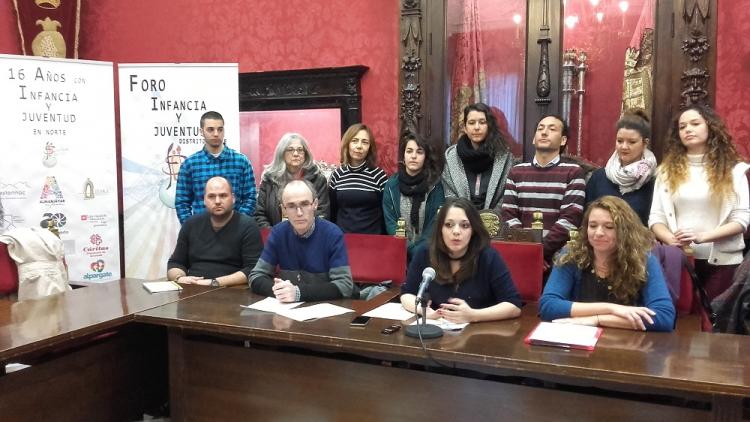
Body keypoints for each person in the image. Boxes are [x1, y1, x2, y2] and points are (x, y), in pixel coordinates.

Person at [649, 105, 750, 300]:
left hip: (723, 261)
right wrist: (670, 238)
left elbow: (742, 219)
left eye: (695, 124)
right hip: (679, 259)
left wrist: (703, 236)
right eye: (682, 126)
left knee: (715, 316)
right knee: (682, 315)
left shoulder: (734, 171)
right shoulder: (665, 171)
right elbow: (656, 217)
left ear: (710, 127)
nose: (688, 129)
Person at [540, 196, 675, 332]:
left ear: (625, 231)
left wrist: (597, 320)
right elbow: (548, 306)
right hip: (580, 337)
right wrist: (612, 309)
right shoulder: (571, 254)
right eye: (593, 226)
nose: (598, 233)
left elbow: (664, 317)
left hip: (627, 341)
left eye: (609, 227)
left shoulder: (644, 260)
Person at [400, 198, 522, 323]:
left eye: (465, 225)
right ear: (440, 229)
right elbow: (407, 294)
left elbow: (513, 305)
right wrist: (424, 310)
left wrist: (473, 315)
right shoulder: (425, 253)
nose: (456, 232)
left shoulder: (488, 257)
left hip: (480, 330)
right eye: (449, 225)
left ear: (473, 230)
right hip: (436, 327)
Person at [249, 179, 356, 302]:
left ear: (315, 204)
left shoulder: (332, 234)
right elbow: (256, 276)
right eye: (291, 206)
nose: (299, 213)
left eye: (305, 204)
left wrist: (298, 293)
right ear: (283, 209)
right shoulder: (278, 233)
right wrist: (281, 291)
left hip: (324, 307)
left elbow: (345, 286)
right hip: (288, 308)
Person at [502, 114, 586, 267]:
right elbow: (508, 216)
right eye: (540, 129)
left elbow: (570, 219)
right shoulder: (516, 172)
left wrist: (540, 252)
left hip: (559, 259)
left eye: (552, 129)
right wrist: (528, 251)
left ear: (563, 140)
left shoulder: (573, 172)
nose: (544, 132)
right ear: (534, 139)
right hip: (521, 256)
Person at [167, 177, 263, 287]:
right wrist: (180, 278)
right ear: (204, 200)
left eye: (223, 196)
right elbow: (175, 263)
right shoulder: (191, 224)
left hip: (232, 289)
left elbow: (253, 269)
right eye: (211, 196)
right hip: (192, 287)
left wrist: (214, 282)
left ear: (233, 198)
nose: (217, 201)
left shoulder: (248, 226)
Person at [175, 111, 256, 224]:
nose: (216, 133)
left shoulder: (241, 162)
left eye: (220, 129)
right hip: (200, 231)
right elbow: (182, 202)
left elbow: (250, 198)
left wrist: (237, 225)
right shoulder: (189, 164)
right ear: (201, 132)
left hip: (235, 230)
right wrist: (192, 229)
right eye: (210, 129)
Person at [586, 109, 657, 225]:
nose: (624, 147)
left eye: (632, 142)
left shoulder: (653, 181)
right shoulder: (599, 178)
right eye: (620, 141)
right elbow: (587, 219)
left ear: (645, 143)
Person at [383, 131, 445, 260]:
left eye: (419, 152)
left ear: (425, 156)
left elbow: (435, 222)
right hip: (399, 253)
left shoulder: (435, 185)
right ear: (403, 155)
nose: (413, 156)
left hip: (428, 255)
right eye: (409, 151)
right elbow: (390, 222)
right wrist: (408, 248)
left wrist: (419, 251)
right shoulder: (391, 185)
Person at [442, 103, 514, 212]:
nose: (476, 127)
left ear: (489, 126)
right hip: (460, 218)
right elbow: (449, 195)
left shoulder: (503, 156)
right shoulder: (452, 157)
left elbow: (506, 196)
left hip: (495, 219)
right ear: (465, 128)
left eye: (482, 122)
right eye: (471, 123)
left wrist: (491, 217)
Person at [254, 133, 330, 227]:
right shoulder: (269, 179)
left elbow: (322, 213)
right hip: (275, 233)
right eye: (290, 150)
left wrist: (306, 232)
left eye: (300, 150)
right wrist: (274, 233)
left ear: (306, 154)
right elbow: (259, 214)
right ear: (282, 153)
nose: (295, 154)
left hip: (310, 233)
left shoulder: (318, 179)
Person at [328, 123, 388, 234]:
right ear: (347, 144)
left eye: (365, 142)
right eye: (354, 141)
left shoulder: (378, 175)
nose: (359, 146)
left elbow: (386, 212)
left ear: (370, 147)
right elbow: (332, 210)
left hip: (372, 238)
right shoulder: (337, 175)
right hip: (342, 237)